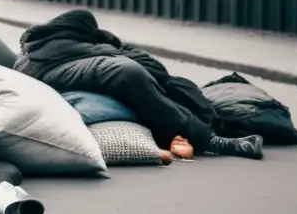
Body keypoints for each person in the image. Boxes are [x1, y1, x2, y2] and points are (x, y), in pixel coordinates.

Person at [14, 9, 264, 160]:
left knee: (156, 82)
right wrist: (114, 47)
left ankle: (205, 131)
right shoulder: (89, 55)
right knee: (136, 75)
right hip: (125, 78)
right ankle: (211, 140)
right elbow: (151, 70)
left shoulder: (42, 52)